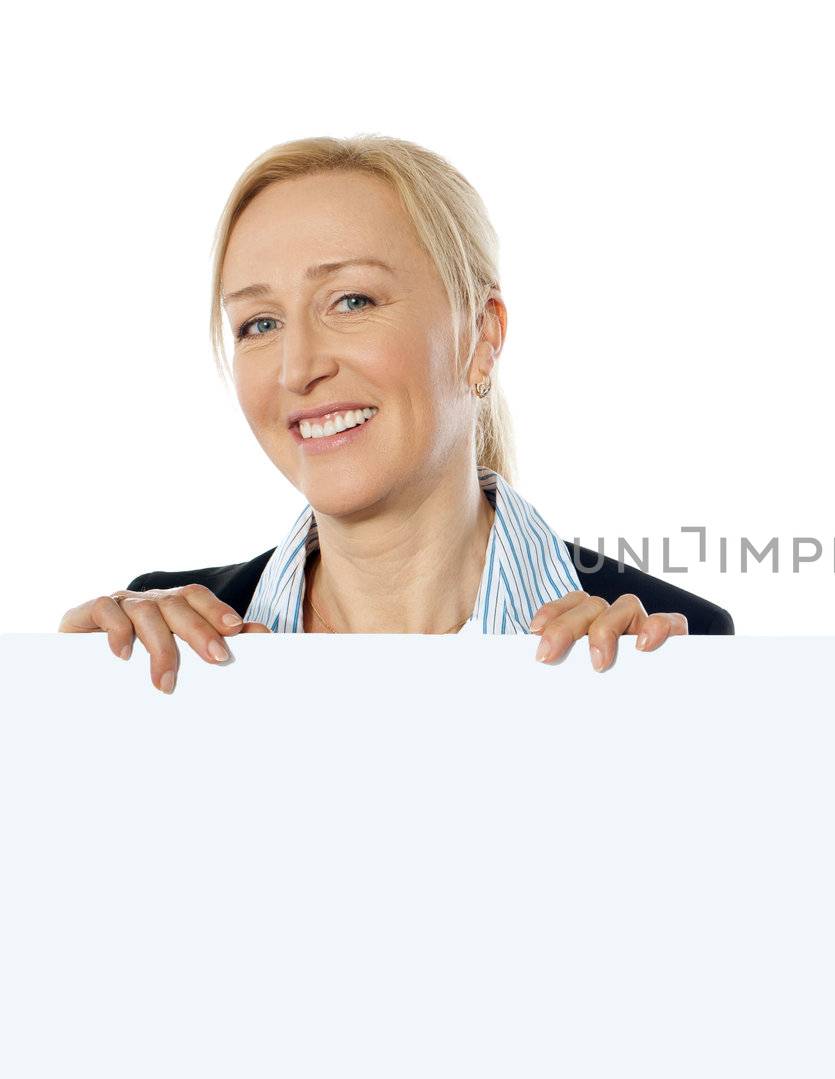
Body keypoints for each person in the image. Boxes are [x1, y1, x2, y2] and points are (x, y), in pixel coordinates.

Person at [59, 135, 731, 692]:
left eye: (351, 302)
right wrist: (66, 708)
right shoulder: (162, 645)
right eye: (259, 323)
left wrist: (639, 724)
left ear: (482, 336)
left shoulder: (670, 645)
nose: (297, 369)